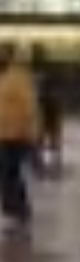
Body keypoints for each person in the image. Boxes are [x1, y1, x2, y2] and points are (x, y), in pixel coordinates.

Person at [0, 47, 41, 232]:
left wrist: (32, 134)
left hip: (16, 135)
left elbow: (30, 107)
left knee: (9, 173)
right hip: (5, 133)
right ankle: (19, 210)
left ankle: (18, 212)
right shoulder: (6, 77)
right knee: (10, 173)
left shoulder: (18, 78)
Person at [29, 44, 64, 177]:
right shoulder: (45, 68)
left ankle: (45, 160)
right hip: (46, 105)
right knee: (44, 134)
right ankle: (49, 160)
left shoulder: (34, 69)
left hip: (46, 106)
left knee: (44, 134)